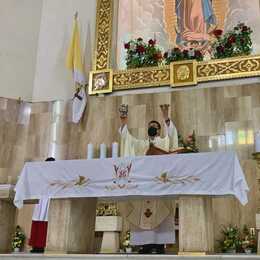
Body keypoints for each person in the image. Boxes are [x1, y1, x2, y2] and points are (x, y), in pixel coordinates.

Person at [119, 104, 178, 254]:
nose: (152, 128)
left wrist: (166, 119)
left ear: (159, 130)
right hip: (144, 187)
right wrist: (124, 121)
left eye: (155, 127)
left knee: (160, 212)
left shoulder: (164, 142)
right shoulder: (141, 144)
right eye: (150, 126)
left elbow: (172, 137)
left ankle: (159, 245)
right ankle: (144, 244)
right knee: (142, 212)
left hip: (159, 185)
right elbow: (127, 139)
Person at [29, 157, 55, 253]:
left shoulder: (55, 174)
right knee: (37, 220)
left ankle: (41, 246)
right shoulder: (41, 174)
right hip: (40, 199)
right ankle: (35, 245)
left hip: (48, 200)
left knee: (44, 220)